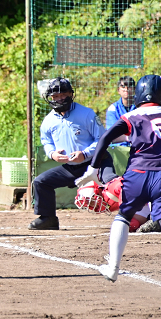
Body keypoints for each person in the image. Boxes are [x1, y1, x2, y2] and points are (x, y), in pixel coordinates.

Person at [76, 75, 161, 296]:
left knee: (123, 217)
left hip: (137, 175)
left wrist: (93, 169)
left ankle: (113, 267)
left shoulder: (131, 115)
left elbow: (105, 138)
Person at [29, 77, 117, 230]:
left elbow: (102, 139)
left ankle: (136, 215)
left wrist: (85, 153)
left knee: (113, 182)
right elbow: (46, 141)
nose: (59, 98)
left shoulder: (86, 114)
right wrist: (52, 154)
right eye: (55, 96)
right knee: (40, 182)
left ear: (71, 94)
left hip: (97, 162)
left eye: (63, 94)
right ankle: (48, 219)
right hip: (71, 168)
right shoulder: (48, 121)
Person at [75, 177, 161, 232]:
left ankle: (159, 217)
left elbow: (132, 188)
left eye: (91, 202)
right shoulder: (107, 200)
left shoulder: (112, 187)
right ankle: (158, 218)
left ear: (96, 192)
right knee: (129, 225)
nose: (92, 206)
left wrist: (155, 215)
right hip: (146, 201)